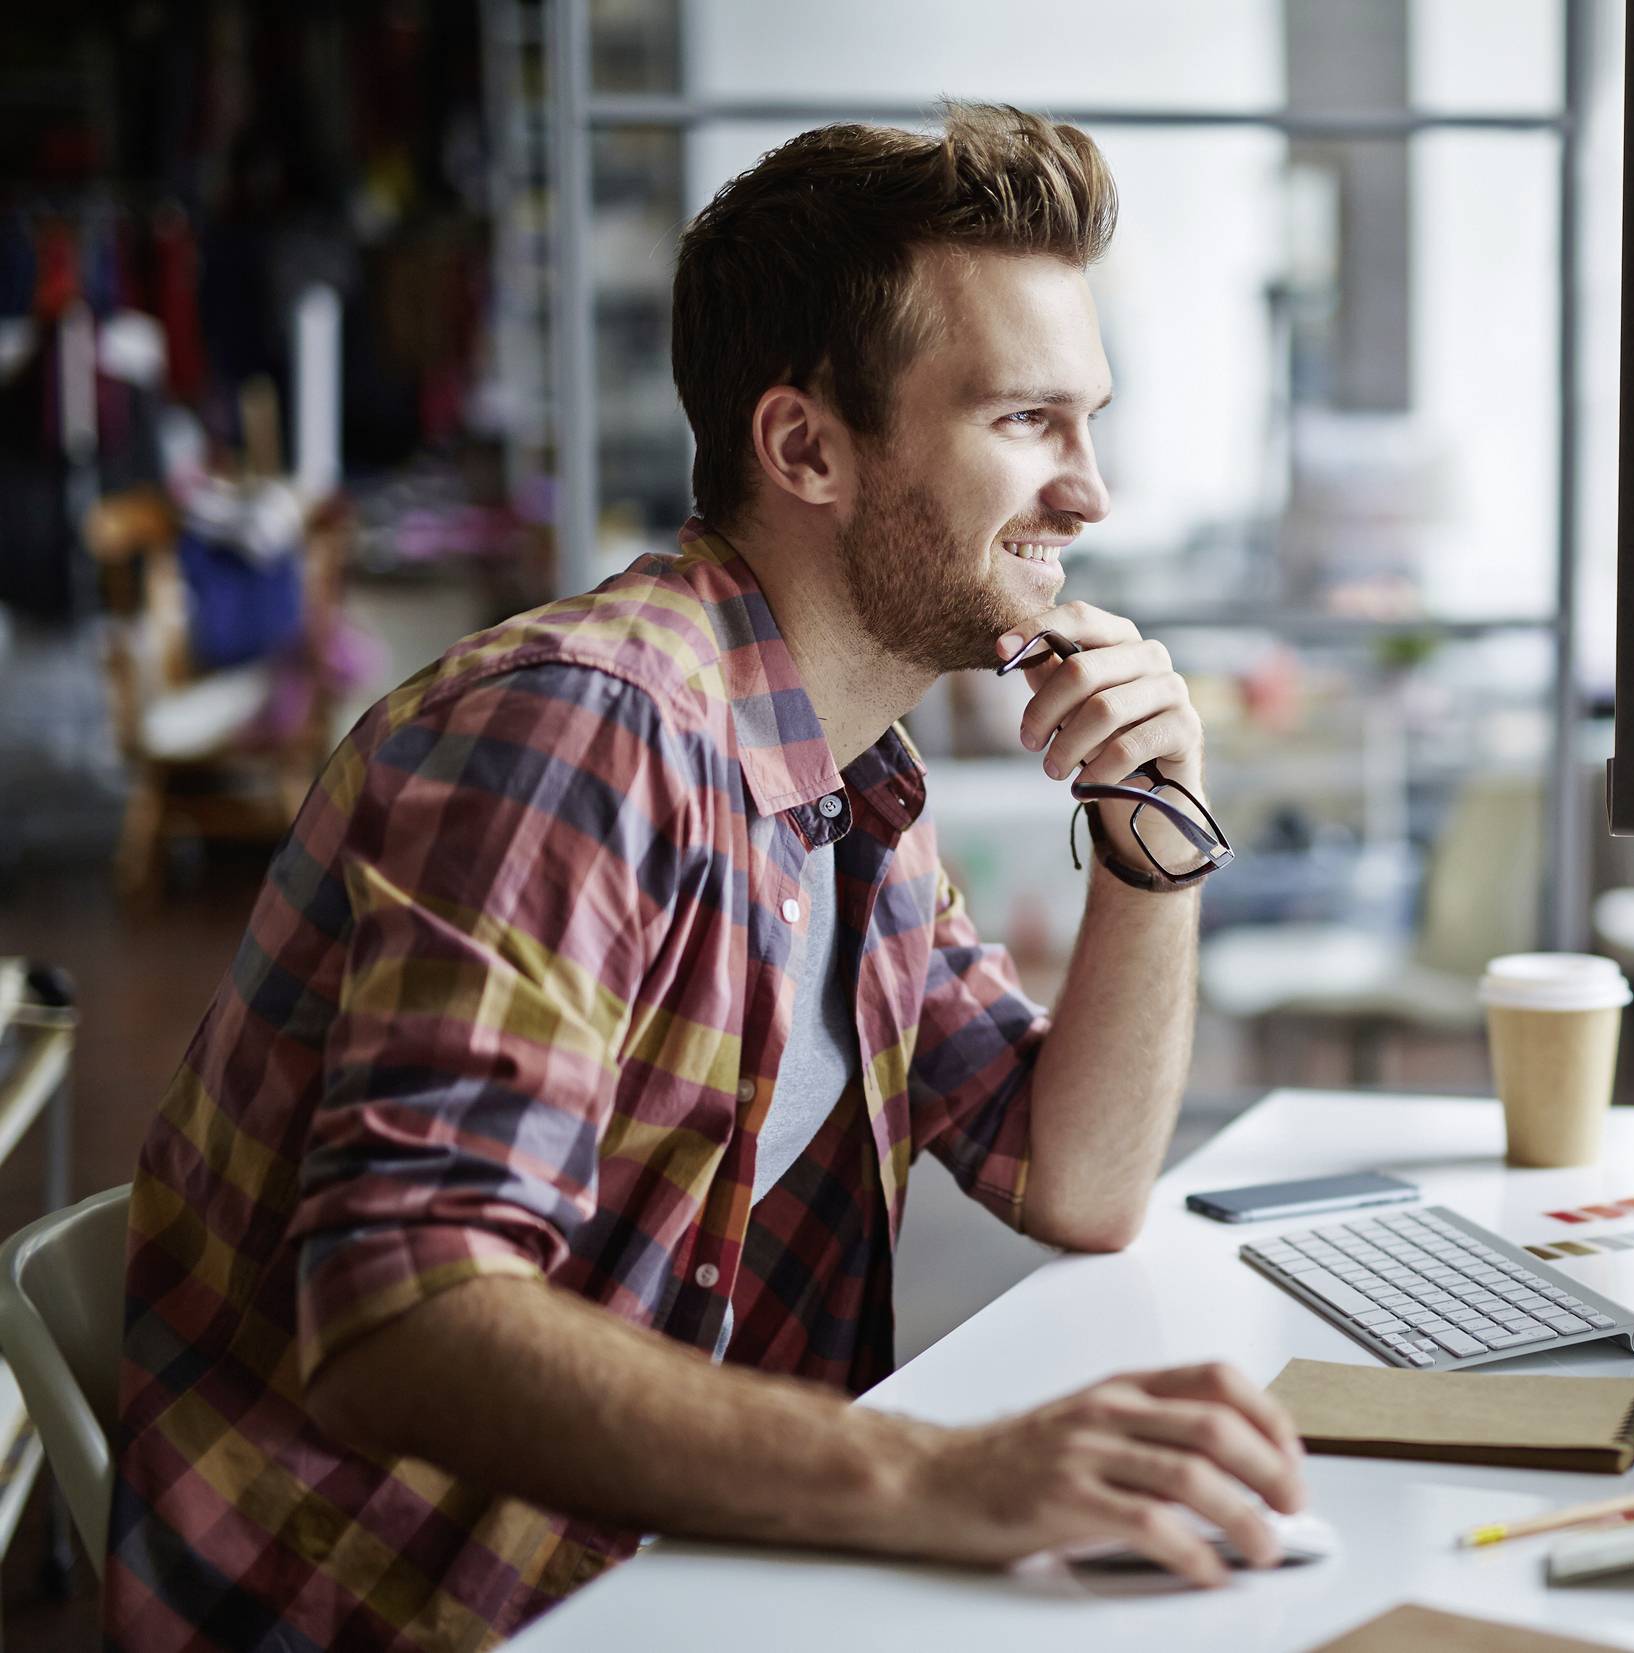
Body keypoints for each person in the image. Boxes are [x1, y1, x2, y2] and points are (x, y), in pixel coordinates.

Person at [108, 103, 1303, 1653]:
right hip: (416, 1606)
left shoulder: (850, 783)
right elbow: (401, 1314)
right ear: (805, 444)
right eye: (1025, 422)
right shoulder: (583, 729)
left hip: (676, 1573)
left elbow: (1074, 1177)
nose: (1090, 493)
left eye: (1088, 422)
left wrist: (1152, 836)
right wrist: (936, 1475)